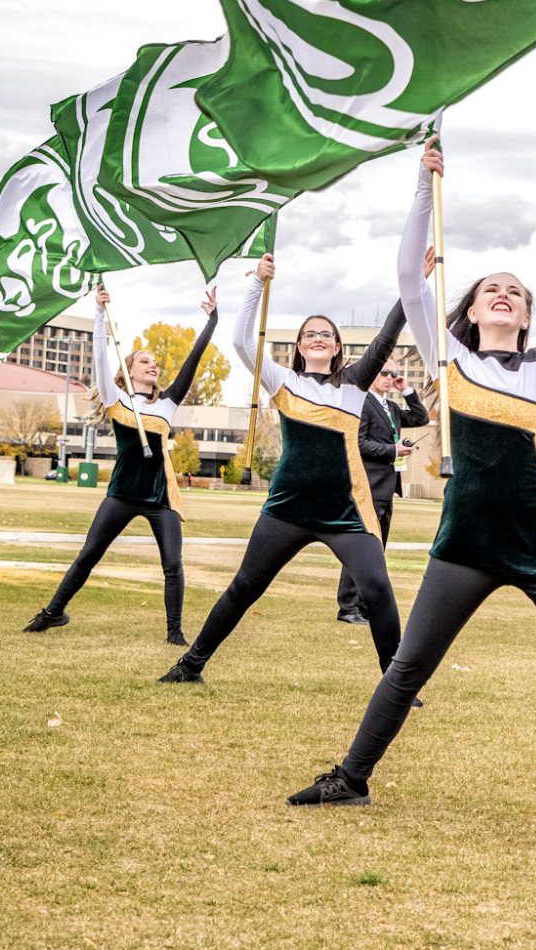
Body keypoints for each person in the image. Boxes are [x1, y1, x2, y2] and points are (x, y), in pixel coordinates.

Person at [283, 138, 536, 852]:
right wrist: (424, 186)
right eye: (493, 287)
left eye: (516, 293)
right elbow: (407, 277)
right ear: (475, 307)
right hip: (466, 545)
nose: (504, 293)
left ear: (524, 317)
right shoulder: (449, 360)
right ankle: (353, 775)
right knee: (409, 666)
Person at [160, 259, 410, 685]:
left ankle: (398, 685)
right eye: (309, 333)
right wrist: (257, 283)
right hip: (286, 510)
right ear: (298, 346)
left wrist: (411, 285)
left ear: (336, 348)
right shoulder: (282, 382)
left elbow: (388, 334)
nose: (317, 338)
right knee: (244, 587)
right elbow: (241, 341)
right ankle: (190, 665)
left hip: (346, 513)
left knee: (377, 589)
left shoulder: (353, 383)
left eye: (326, 335)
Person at [24, 285, 217, 643]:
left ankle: (174, 633)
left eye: (155, 363)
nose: (153, 365)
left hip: (161, 499)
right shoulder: (117, 400)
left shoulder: (167, 404)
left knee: (173, 565)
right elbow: (100, 356)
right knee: (89, 555)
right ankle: (53, 613)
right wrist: (99, 313)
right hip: (122, 495)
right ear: (129, 369)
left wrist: (212, 320)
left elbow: (193, 360)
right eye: (144, 361)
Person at [335, 365, 430, 624]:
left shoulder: (392, 408)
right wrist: (392, 450)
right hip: (368, 486)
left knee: (376, 551)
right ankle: (349, 607)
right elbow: (358, 442)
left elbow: (421, 418)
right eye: (384, 373)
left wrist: (407, 390)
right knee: (360, 548)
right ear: (372, 374)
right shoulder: (363, 404)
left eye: (393, 374)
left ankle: (364, 606)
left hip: (386, 488)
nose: (389, 377)